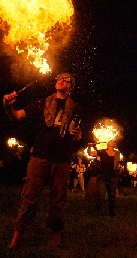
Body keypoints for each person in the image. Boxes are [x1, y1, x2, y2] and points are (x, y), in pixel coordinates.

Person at [3, 72, 82, 249]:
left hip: (62, 159)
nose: (60, 80)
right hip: (39, 157)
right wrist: (7, 105)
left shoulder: (76, 108)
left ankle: (56, 235)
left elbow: (76, 133)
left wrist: (78, 135)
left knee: (58, 200)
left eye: (66, 79)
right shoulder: (41, 103)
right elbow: (16, 116)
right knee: (29, 197)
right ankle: (17, 236)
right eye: (59, 78)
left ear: (71, 87)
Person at [88, 140, 120, 216]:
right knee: (101, 195)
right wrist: (89, 147)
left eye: (112, 141)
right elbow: (90, 153)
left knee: (112, 196)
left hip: (113, 177)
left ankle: (112, 213)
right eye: (109, 141)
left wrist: (119, 169)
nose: (110, 141)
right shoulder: (102, 152)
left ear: (114, 144)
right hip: (102, 176)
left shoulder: (117, 153)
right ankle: (100, 212)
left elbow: (118, 163)